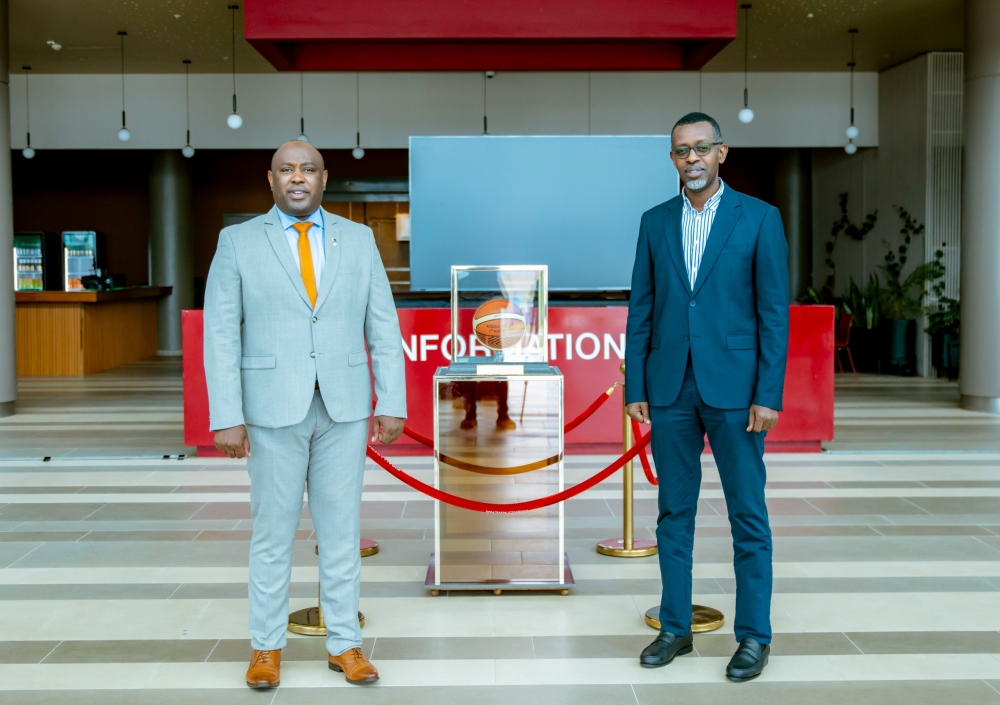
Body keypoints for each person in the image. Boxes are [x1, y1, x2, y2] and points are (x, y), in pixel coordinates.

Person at [204, 141, 406, 689]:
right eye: (287, 170)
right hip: (271, 410)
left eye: (308, 169)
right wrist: (226, 413)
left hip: (344, 408)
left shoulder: (358, 239)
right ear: (271, 180)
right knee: (273, 533)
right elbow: (220, 333)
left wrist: (391, 400)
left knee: (341, 531)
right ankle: (266, 646)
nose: (298, 178)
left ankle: (345, 643)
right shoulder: (238, 241)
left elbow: (383, 326)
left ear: (324, 179)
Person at [625, 112, 789, 682]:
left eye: (700, 149)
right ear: (672, 159)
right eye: (680, 151)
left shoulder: (760, 219)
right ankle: (675, 628)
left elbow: (773, 313)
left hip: (737, 394)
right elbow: (641, 310)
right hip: (671, 389)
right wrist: (636, 385)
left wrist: (768, 394)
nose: (691, 159)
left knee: (748, 516)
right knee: (674, 515)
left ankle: (754, 636)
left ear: (722, 152)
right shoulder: (654, 222)